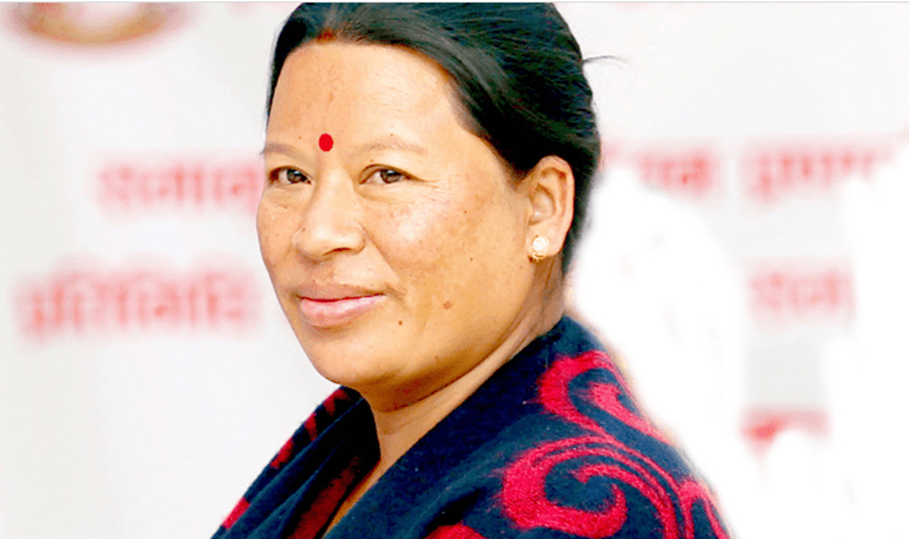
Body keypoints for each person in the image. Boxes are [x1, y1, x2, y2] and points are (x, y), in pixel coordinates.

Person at [213, 4, 731, 538]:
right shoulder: (362, 448)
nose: (317, 234)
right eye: (291, 175)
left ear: (543, 206)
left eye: (387, 174)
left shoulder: (573, 511)